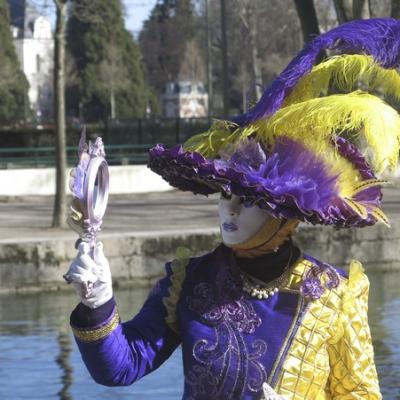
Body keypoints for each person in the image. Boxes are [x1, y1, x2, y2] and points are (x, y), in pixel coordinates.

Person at [65, 18, 400, 399]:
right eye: (226, 193)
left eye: (248, 199)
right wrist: (98, 302)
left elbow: (362, 394)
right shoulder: (189, 281)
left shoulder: (334, 296)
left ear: (283, 213)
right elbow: (122, 366)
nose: (230, 209)